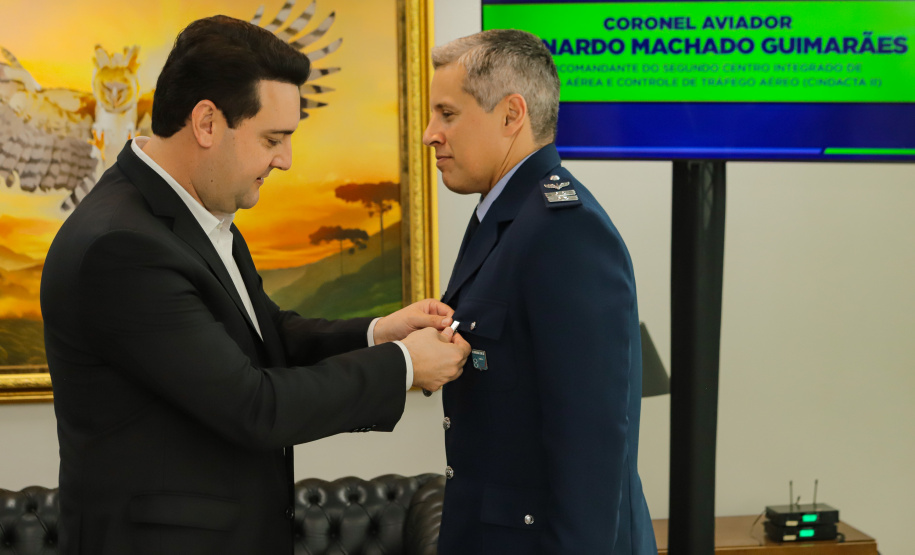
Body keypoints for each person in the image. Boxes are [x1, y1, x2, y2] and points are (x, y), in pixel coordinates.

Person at [40, 15, 469, 555]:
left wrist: (379, 333)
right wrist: (404, 365)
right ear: (206, 123)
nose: (285, 160)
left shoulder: (196, 214)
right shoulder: (122, 248)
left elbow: (266, 338)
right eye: (273, 138)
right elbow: (254, 406)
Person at [423, 29, 656, 554]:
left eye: (448, 114)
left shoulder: (564, 230)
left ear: (512, 115)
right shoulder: (506, 217)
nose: (430, 134)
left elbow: (591, 446)